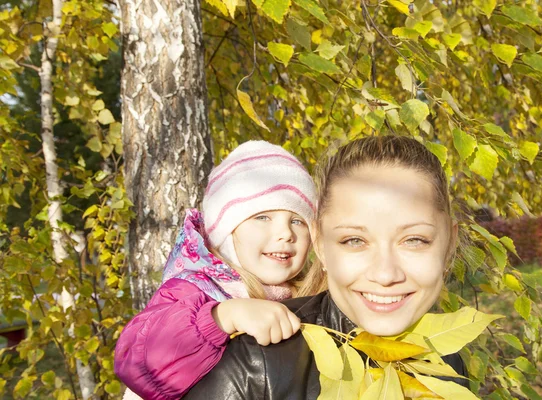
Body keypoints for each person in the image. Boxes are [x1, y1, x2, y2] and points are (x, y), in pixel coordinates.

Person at [183, 135, 469, 399]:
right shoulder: (255, 365)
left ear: (449, 244)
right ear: (321, 245)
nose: (385, 274)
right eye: (354, 240)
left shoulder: (446, 360)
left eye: (414, 240)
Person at [114, 141, 317, 400]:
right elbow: (138, 361)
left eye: (297, 220)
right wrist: (221, 318)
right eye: (262, 217)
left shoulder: (309, 300)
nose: (286, 233)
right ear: (225, 232)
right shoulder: (194, 290)